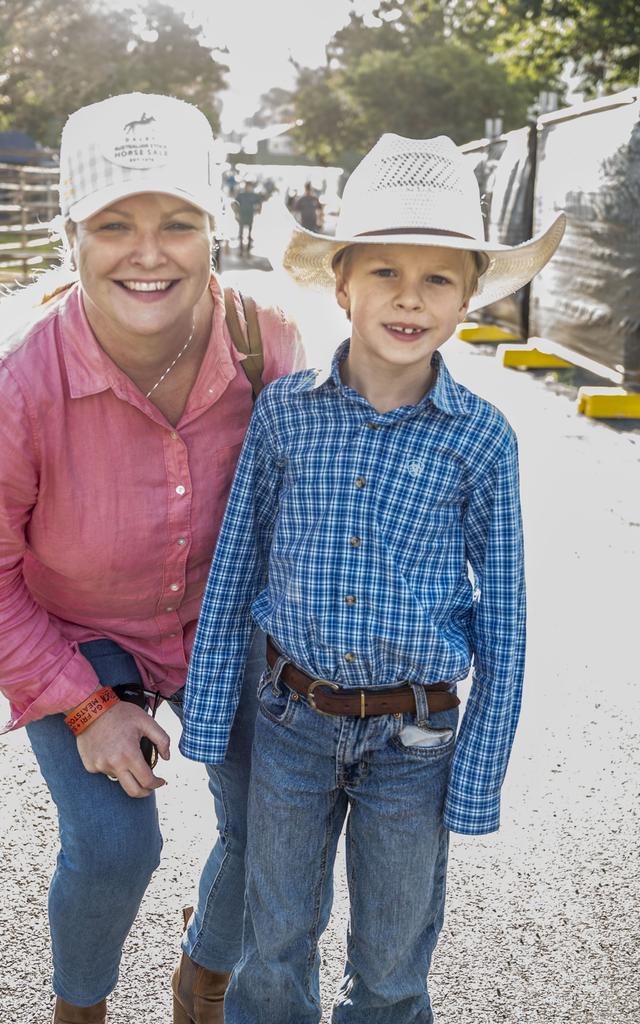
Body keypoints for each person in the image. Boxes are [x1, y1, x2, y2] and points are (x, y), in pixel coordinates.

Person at [0, 92, 303, 1024]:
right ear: (72, 237)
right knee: (112, 844)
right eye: (114, 225)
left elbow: (320, 496)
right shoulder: (13, 386)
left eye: (177, 222)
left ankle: (202, 975)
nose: (149, 252)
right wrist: (90, 706)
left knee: (279, 824)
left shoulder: (269, 344)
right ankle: (80, 1008)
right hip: (78, 632)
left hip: (226, 620)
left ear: (214, 231)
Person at [181, 133, 565, 1022]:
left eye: (437, 279)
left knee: (393, 965)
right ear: (342, 283)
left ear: (469, 298)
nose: (408, 297)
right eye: (385, 272)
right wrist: (208, 715)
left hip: (416, 740)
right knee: (273, 947)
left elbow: (503, 619)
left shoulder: (479, 439)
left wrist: (478, 776)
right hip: (289, 720)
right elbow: (238, 563)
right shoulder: (285, 413)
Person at [233, 180, 261, 255]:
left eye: (250, 187)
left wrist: (258, 210)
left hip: (250, 215)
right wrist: (236, 213)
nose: (248, 188)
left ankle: (248, 248)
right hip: (242, 214)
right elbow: (235, 203)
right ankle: (241, 248)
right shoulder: (241, 195)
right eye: (247, 186)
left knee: (249, 232)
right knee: (241, 232)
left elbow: (258, 203)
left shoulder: (254, 196)